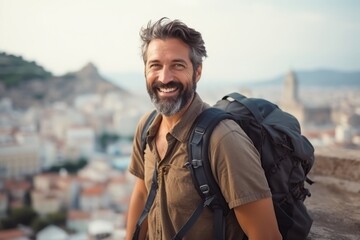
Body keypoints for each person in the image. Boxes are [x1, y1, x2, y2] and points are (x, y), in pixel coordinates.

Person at [126, 17, 282, 240]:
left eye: (177, 65)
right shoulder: (146, 127)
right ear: (145, 71)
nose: (164, 77)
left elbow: (265, 235)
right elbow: (142, 194)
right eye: (155, 65)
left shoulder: (223, 139)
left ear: (197, 72)